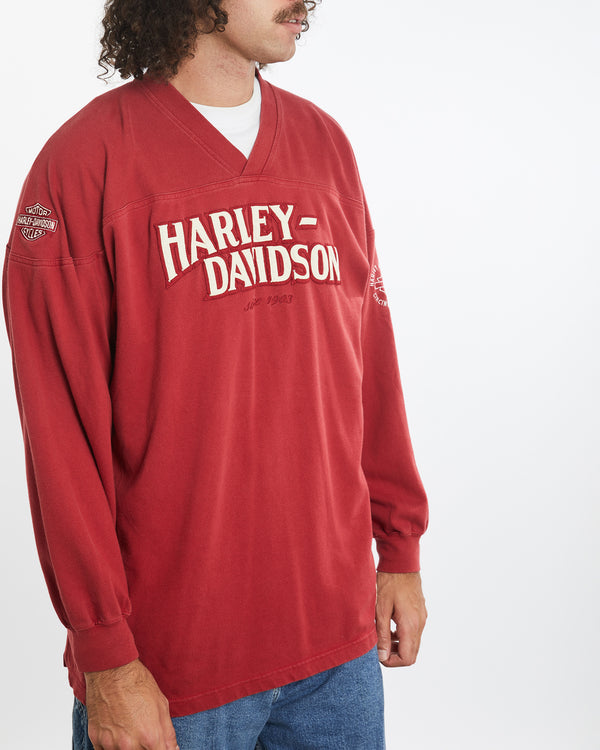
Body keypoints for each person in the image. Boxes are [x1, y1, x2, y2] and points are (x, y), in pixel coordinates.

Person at [2, 0, 429, 747]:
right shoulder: (85, 161)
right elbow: (60, 432)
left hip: (339, 644)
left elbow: (370, 361)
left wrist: (398, 548)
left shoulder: (325, 145)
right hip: (171, 668)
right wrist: (106, 656)